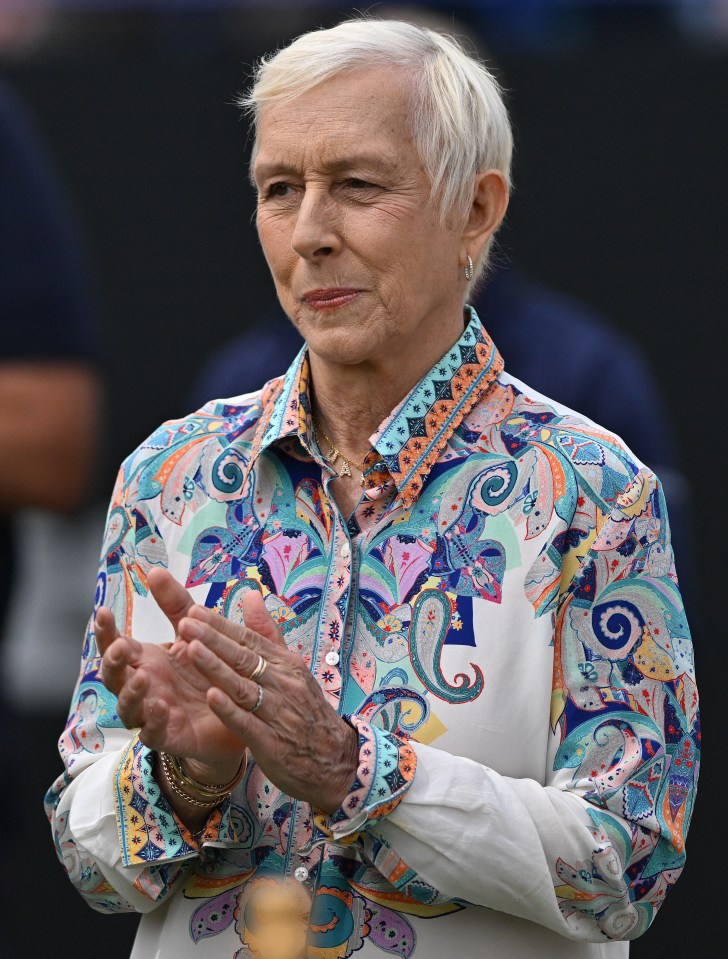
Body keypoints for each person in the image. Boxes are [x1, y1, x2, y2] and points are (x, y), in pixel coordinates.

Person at [46, 19, 699, 959]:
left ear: (475, 210)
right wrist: (186, 779)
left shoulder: (593, 491)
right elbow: (83, 856)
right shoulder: (169, 476)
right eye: (279, 190)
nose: (310, 232)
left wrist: (353, 770)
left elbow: (631, 864)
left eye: (357, 184)